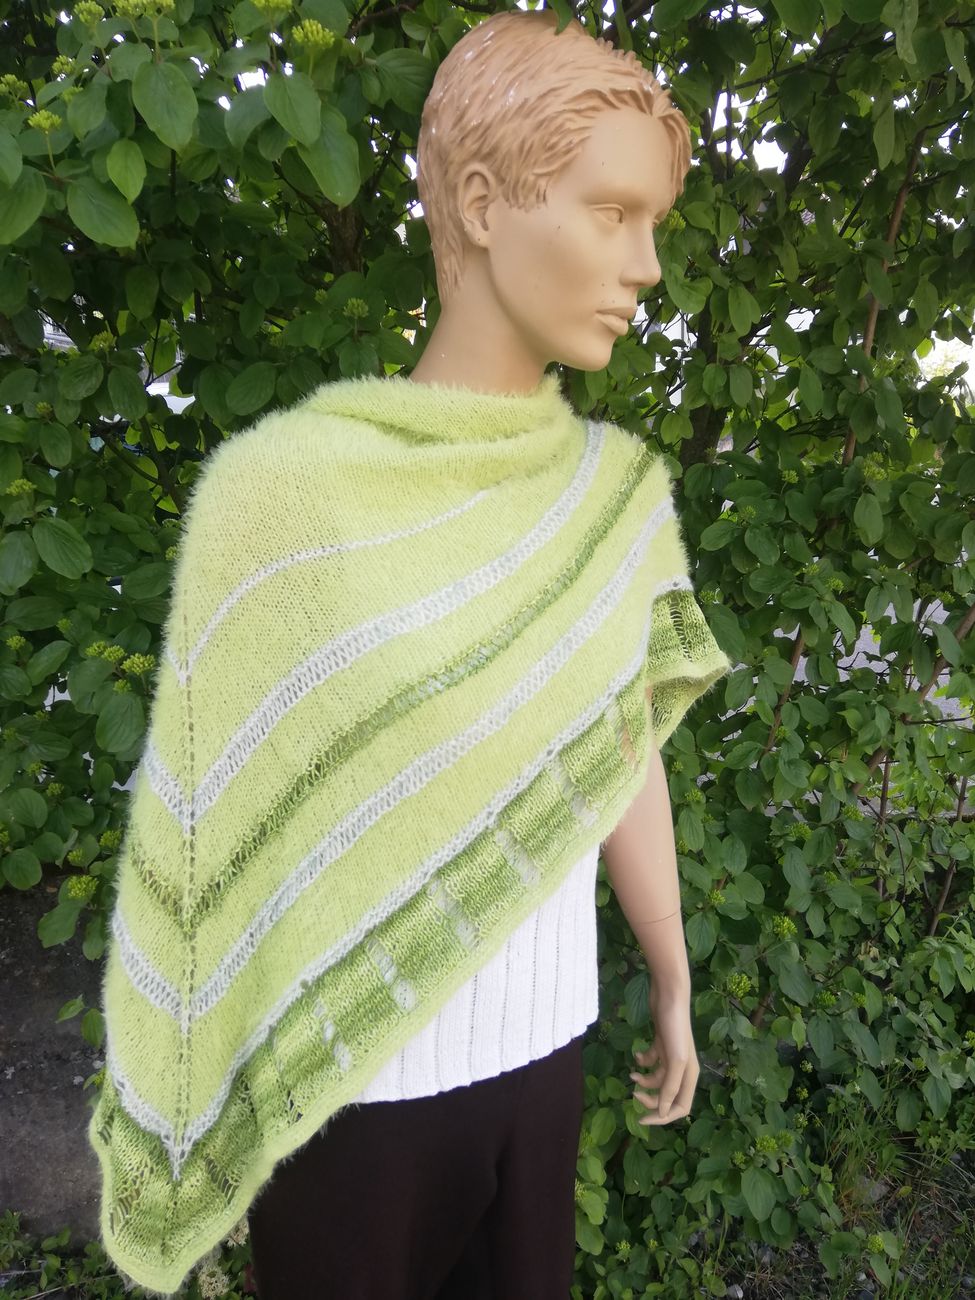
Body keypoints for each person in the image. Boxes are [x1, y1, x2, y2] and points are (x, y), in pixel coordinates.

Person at [87, 9, 732, 1298]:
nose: (647, 265)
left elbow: (624, 748)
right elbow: (218, 820)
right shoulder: (279, 498)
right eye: (614, 213)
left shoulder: (610, 501)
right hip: (349, 1096)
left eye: (652, 223)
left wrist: (669, 966)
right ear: (482, 206)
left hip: (544, 1056)